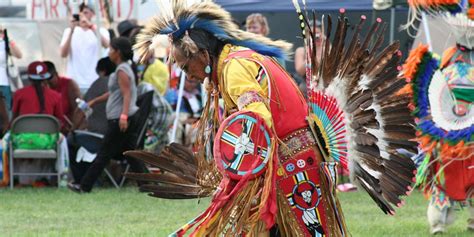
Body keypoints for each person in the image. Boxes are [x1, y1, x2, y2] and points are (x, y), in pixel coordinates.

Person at [133, 1, 416, 236]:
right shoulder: (237, 59)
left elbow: (257, 118)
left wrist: (241, 166)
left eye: (185, 67)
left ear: (203, 54)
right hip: (291, 161)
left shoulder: (234, 69)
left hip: (290, 165)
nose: (188, 74)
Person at [402, 1, 474, 234]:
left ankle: (452, 220)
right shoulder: (449, 58)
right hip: (448, 127)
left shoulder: (449, 57)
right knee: (448, 175)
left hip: (462, 128)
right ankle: (440, 221)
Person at [68, 37, 146, 193]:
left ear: (117, 52)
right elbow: (115, 92)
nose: (109, 52)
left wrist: (123, 116)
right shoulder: (123, 68)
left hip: (120, 118)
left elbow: (126, 94)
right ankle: (148, 185)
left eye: (110, 49)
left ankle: (84, 186)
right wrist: (94, 101)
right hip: (123, 116)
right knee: (131, 154)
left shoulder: (122, 70)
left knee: (104, 153)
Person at [60, 3, 110, 91]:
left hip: (94, 80)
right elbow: (63, 54)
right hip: (74, 81)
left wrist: (91, 26)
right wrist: (72, 30)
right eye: (81, 13)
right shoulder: (69, 31)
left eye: (86, 12)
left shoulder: (100, 31)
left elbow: (107, 45)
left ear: (93, 14)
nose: (83, 16)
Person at [43, 61, 80, 127]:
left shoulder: (69, 84)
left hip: (68, 127)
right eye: (43, 79)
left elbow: (78, 110)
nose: (46, 82)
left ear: (56, 74)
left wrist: (74, 127)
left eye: (49, 78)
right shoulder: (40, 89)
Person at [0, 25, 22, 113]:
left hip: (5, 83)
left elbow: (19, 55)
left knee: (7, 110)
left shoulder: (5, 44)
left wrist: (8, 40)